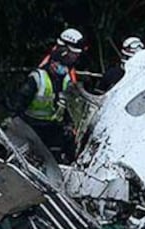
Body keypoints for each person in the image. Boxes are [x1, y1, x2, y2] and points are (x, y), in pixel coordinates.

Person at [12, 28, 86, 163]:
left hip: (54, 129)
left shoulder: (67, 78)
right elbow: (18, 106)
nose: (75, 58)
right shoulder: (38, 77)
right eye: (73, 54)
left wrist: (70, 125)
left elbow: (70, 105)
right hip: (32, 128)